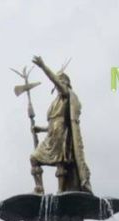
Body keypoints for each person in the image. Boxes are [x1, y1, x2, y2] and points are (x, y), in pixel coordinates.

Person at [29, 55, 92, 194]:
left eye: (60, 82)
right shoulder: (55, 102)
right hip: (52, 135)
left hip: (62, 136)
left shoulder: (66, 96)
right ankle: (39, 187)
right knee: (34, 158)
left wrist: (43, 67)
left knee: (60, 162)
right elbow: (53, 124)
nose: (57, 85)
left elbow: (62, 122)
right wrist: (41, 129)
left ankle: (61, 189)